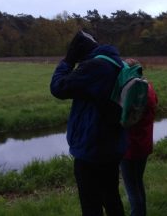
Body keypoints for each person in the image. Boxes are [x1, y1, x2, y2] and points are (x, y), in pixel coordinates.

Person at [50, 30, 126, 216]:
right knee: (111, 197)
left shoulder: (94, 67)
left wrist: (68, 61)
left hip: (91, 148)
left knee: (90, 203)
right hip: (113, 144)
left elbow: (58, 88)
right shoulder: (117, 63)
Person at [120, 58, 158, 216]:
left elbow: (124, 119)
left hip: (130, 146)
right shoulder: (149, 88)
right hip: (144, 143)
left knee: (131, 187)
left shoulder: (132, 91)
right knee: (138, 182)